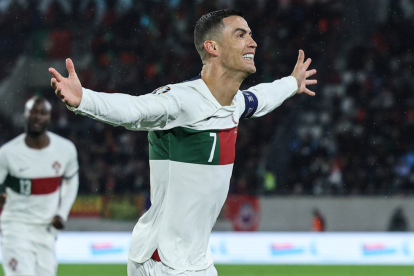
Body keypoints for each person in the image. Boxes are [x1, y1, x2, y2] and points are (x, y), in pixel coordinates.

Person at [49, 9, 317, 276]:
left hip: (197, 261)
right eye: (240, 34)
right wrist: (84, 100)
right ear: (212, 47)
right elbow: (135, 110)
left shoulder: (233, 103)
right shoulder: (182, 100)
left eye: (251, 34)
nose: (253, 41)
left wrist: (293, 83)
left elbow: (262, 97)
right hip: (162, 261)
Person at [0, 97, 79, 276]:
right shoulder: (7, 153)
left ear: (49, 118)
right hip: (15, 227)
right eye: (33, 112)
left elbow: (72, 181)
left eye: (42, 113)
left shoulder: (65, 149)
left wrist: (62, 214)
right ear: (24, 116)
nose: (37, 116)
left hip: (46, 231)